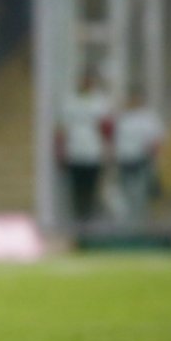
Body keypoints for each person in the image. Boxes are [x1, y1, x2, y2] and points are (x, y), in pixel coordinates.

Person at [57, 69, 111, 226]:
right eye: (83, 80)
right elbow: (62, 129)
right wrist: (61, 151)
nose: (86, 83)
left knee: (92, 188)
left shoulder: (100, 102)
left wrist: (107, 150)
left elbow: (106, 128)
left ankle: (90, 220)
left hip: (94, 151)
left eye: (89, 80)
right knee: (76, 189)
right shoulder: (70, 102)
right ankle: (78, 221)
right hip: (74, 151)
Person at [113, 92, 164, 226]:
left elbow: (156, 139)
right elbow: (115, 138)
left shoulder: (148, 118)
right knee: (125, 191)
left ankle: (140, 220)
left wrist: (154, 157)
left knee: (140, 192)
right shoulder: (122, 117)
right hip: (124, 159)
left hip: (141, 159)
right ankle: (127, 221)